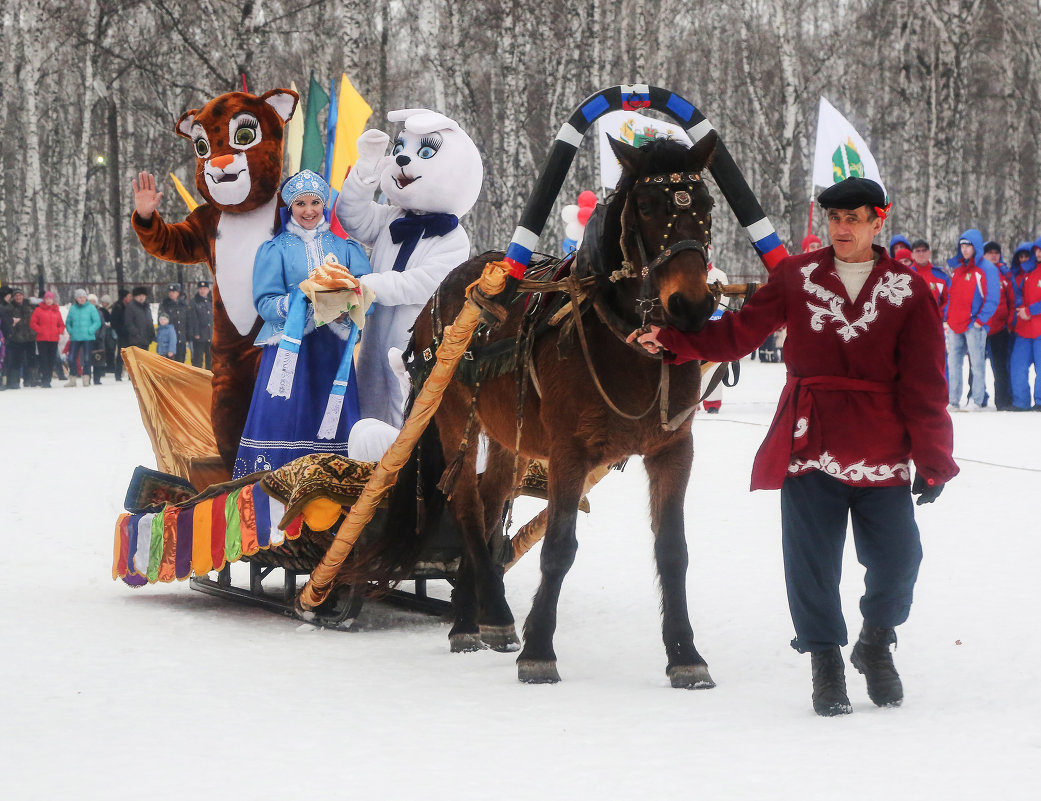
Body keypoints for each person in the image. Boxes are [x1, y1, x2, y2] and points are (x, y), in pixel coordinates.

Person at [631, 177, 958, 716]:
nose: (842, 228)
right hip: (811, 435)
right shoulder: (797, 276)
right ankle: (825, 662)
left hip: (883, 441)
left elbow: (926, 380)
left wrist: (933, 456)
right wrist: (673, 340)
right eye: (834, 218)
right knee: (810, 561)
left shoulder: (911, 288)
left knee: (900, 559)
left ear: (879, 221)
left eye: (853, 218)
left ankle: (876, 642)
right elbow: (738, 334)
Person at [233, 170, 372, 478]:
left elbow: (367, 297)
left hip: (333, 349)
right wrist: (303, 299)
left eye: (315, 203)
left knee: (332, 419)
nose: (308, 210)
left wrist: (345, 306)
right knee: (286, 416)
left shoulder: (347, 248)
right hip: (288, 348)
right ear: (289, 207)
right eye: (300, 204)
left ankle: (338, 483)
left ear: (324, 205)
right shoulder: (274, 249)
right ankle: (277, 482)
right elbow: (266, 303)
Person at [945, 229, 1000, 411]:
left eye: (968, 245)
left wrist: (980, 321)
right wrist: (948, 319)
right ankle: (953, 400)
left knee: (977, 365)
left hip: (974, 325)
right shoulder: (958, 269)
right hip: (955, 324)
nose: (965, 249)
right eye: (962, 245)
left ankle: (976, 400)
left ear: (975, 246)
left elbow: (992, 298)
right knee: (954, 364)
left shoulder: (987, 269)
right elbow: (952, 297)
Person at [981, 241, 1014, 410]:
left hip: (1000, 329)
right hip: (980, 328)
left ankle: (1002, 401)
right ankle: (977, 398)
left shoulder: (1005, 276)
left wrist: (1009, 323)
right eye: (990, 252)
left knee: (1000, 366)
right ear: (983, 255)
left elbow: (1012, 301)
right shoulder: (979, 273)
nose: (993, 255)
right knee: (976, 366)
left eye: (996, 252)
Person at [1010, 237, 1041, 410]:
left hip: (1039, 327)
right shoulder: (1027, 272)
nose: (1038, 253)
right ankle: (1020, 402)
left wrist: (1030, 311)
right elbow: (1018, 294)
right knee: (1018, 366)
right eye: (1036, 250)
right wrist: (1021, 307)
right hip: (1023, 328)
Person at [64, 288, 102, 387]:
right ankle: (72, 378)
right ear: (76, 299)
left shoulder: (91, 308)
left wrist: (90, 330)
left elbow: (97, 322)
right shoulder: (72, 308)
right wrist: (71, 331)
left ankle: (86, 378)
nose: (82, 299)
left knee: (87, 358)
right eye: (80, 297)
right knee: (71, 358)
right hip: (75, 337)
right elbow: (68, 322)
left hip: (88, 337)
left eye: (84, 297)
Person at [29, 291, 64, 388]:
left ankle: (48, 378)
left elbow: (61, 324)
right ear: (44, 300)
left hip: (54, 339)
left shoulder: (57, 311)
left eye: (50, 299)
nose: (48, 301)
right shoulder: (38, 310)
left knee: (51, 360)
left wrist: (58, 331)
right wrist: (40, 330)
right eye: (47, 299)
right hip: (42, 339)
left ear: (53, 300)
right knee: (43, 359)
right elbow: (32, 323)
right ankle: (45, 379)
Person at [4, 287, 36, 389]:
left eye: (20, 295)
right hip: (16, 338)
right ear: (13, 297)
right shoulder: (10, 307)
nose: (18, 297)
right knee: (16, 360)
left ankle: (30, 380)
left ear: (23, 295)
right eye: (16, 295)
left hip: (30, 337)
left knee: (31, 359)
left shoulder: (30, 306)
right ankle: (14, 382)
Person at [909, 239, 950, 312]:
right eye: (918, 251)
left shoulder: (940, 275)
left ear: (929, 253)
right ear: (912, 255)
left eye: (924, 250)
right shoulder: (905, 274)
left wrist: (940, 315)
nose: (921, 254)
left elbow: (950, 299)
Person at [186, 280, 213, 370]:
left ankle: (209, 379)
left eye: (205, 288)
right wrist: (195, 333)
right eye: (200, 288)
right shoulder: (194, 302)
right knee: (198, 360)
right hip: (199, 337)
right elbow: (192, 319)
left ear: (208, 290)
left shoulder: (211, 301)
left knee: (211, 360)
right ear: (198, 290)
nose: (202, 290)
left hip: (210, 336)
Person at [159, 282, 189, 363]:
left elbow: (187, 321)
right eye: (170, 292)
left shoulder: (183, 305)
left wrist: (188, 336)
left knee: (181, 363)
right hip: (168, 342)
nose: (171, 293)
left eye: (174, 292)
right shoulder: (165, 304)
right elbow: (161, 322)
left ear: (178, 293)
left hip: (181, 339)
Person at [125, 286, 155, 351]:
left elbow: (150, 321)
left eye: (143, 296)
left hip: (146, 339)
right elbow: (129, 323)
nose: (141, 298)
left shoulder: (147, 307)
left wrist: (152, 333)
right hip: (136, 341)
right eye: (139, 296)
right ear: (135, 297)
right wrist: (137, 334)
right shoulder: (131, 307)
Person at [109, 289, 131, 380]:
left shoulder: (131, 306)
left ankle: (131, 375)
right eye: (129, 296)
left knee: (131, 355)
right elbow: (113, 321)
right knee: (121, 355)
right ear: (124, 298)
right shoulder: (117, 306)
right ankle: (118, 375)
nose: (131, 298)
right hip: (121, 334)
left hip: (130, 334)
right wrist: (120, 330)